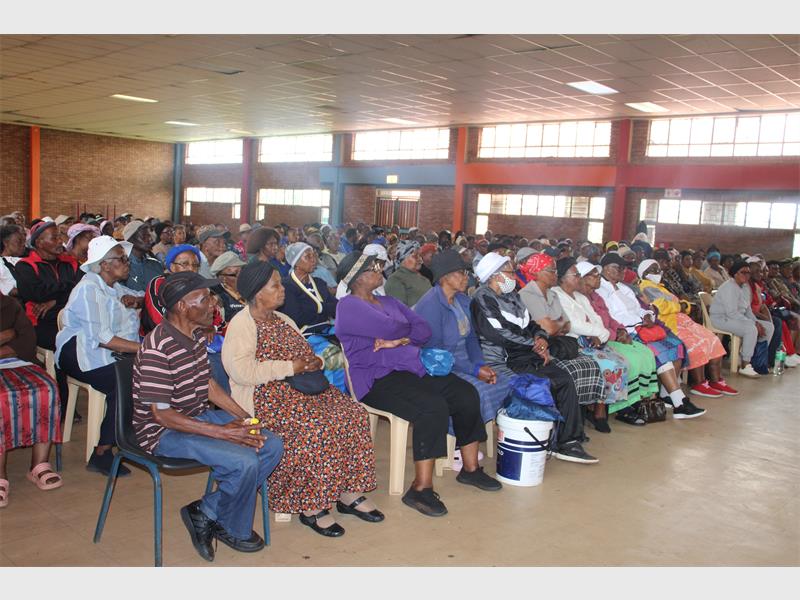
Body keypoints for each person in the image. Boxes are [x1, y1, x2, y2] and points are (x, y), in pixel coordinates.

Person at [222, 261, 380, 538]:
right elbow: (242, 372)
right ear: (258, 292)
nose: (283, 290)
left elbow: (306, 351)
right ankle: (311, 505)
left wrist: (314, 361)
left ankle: (347, 492)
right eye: (276, 285)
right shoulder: (242, 325)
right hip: (266, 396)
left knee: (352, 414)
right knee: (311, 426)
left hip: (304, 388)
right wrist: (290, 368)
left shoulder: (283, 320)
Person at [132, 271, 283, 561]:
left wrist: (247, 420)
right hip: (163, 433)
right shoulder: (156, 348)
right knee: (243, 460)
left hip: (196, 417)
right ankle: (232, 526)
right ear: (181, 307)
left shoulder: (195, 335)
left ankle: (206, 511)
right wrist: (225, 433)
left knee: (269, 442)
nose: (214, 303)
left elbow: (209, 385)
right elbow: (161, 415)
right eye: (204, 298)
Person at [336, 252, 499, 517]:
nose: (380, 271)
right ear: (358, 277)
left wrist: (398, 339)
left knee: (464, 393)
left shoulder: (388, 300)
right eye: (374, 268)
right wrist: (401, 333)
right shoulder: (348, 305)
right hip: (375, 379)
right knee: (431, 406)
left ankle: (471, 469)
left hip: (410, 368)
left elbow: (423, 331)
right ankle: (420, 489)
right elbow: (392, 327)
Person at [469, 252, 598, 463]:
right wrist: (534, 344)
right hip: (504, 358)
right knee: (540, 385)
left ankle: (568, 442)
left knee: (564, 379)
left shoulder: (513, 296)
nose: (514, 276)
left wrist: (541, 338)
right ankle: (544, 439)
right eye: (510, 272)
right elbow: (499, 333)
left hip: (526, 353)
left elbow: (531, 324)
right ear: (495, 276)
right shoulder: (482, 298)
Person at [55, 236, 143, 475]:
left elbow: (141, 294)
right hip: (79, 352)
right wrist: (145, 348)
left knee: (150, 375)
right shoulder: (88, 289)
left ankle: (133, 438)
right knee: (125, 384)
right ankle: (103, 451)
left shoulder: (115, 288)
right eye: (121, 259)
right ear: (104, 265)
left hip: (108, 350)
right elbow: (103, 338)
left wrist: (137, 300)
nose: (127, 263)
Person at [596, 253, 706, 420]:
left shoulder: (625, 288)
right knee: (660, 353)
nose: (621, 271)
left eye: (623, 268)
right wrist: (639, 321)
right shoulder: (600, 290)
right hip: (628, 331)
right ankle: (680, 403)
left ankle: (667, 393)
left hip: (644, 326)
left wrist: (648, 315)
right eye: (617, 268)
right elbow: (613, 317)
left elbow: (641, 308)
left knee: (676, 345)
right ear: (605, 269)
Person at [414, 250, 511, 429]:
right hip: (441, 367)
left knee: (504, 382)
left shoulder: (463, 300)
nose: (467, 278)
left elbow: (472, 339)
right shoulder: (430, 305)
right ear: (444, 277)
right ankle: (459, 440)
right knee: (476, 392)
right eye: (461, 273)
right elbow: (437, 353)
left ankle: (471, 434)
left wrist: (481, 364)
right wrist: (474, 370)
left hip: (465, 362)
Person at [553, 258, 639, 432]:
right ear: (562, 277)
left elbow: (595, 318)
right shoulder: (556, 294)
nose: (579, 278)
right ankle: (598, 412)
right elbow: (573, 324)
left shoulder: (579, 296)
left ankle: (600, 407)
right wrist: (598, 333)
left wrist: (602, 333)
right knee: (607, 364)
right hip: (573, 340)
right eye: (575, 275)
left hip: (593, 338)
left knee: (620, 361)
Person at [638, 259, 736, 399]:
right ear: (645, 273)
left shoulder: (660, 286)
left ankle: (716, 380)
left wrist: (682, 305)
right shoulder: (646, 287)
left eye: (658, 269)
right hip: (670, 324)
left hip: (682, 320)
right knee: (696, 343)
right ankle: (699, 383)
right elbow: (660, 306)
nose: (658, 272)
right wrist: (680, 306)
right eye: (654, 269)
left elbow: (679, 302)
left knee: (711, 338)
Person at [517, 254, 606, 409]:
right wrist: (558, 324)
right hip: (541, 347)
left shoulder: (552, 294)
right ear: (537, 273)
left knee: (590, 364)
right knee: (569, 373)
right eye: (551, 271)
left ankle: (582, 412)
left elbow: (567, 324)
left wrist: (556, 325)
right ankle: (570, 414)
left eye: (555, 271)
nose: (555, 275)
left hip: (559, 343)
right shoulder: (527, 295)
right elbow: (549, 328)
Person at [576, 261, 661, 421]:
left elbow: (611, 318)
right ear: (582, 278)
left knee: (646, 353)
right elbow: (591, 325)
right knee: (631, 360)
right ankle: (622, 406)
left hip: (611, 334)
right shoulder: (579, 298)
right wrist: (616, 335)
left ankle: (638, 399)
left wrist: (621, 329)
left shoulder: (596, 296)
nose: (598, 277)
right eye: (594, 274)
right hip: (601, 339)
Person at [0, 294, 63, 509]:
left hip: (16, 360)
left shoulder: (9, 304)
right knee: (1, 398)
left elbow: (27, 337)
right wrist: (7, 334)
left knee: (47, 388)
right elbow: (13, 334)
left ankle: (39, 465)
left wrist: (9, 340)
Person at [141, 244, 230, 393]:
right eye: (184, 264)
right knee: (214, 365)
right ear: (171, 266)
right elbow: (161, 322)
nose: (191, 269)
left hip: (197, 342)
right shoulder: (159, 285)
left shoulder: (199, 288)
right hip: (164, 345)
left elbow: (220, 325)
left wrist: (211, 327)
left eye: (195, 265)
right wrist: (203, 328)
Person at [710, 260, 775, 378]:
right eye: (743, 272)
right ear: (735, 274)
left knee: (768, 327)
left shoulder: (743, 287)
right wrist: (753, 324)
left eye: (748, 273)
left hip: (736, 318)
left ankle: (757, 360)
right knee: (750, 329)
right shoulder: (729, 287)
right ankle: (745, 364)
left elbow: (748, 310)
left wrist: (756, 322)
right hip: (721, 319)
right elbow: (732, 313)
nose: (746, 275)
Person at [384, 241, 432, 307]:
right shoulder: (395, 280)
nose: (420, 260)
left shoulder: (421, 276)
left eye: (420, 256)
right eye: (415, 256)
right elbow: (399, 311)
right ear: (403, 259)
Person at [121, 220, 163, 292]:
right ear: (130, 240)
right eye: (144, 236)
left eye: (150, 235)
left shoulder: (156, 265)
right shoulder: (121, 267)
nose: (150, 240)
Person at [210, 251, 247, 323]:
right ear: (222, 278)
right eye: (235, 274)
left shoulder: (249, 288)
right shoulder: (215, 295)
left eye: (242, 271)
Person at [0, 224, 25, 296]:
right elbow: (9, 290)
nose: (23, 244)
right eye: (19, 241)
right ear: (6, 242)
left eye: (24, 241)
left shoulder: (24, 260)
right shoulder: (1, 263)